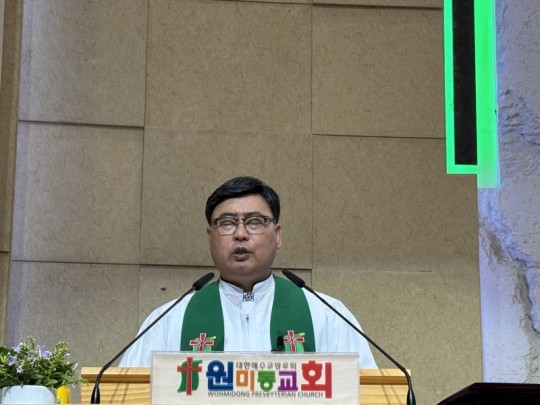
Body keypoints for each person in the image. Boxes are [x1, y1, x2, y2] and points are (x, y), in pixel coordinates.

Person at [119, 176, 377, 368]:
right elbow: (125, 394)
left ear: (277, 235)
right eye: (227, 223)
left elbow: (367, 392)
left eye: (254, 222)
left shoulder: (327, 315)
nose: (240, 234)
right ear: (210, 237)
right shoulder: (168, 320)